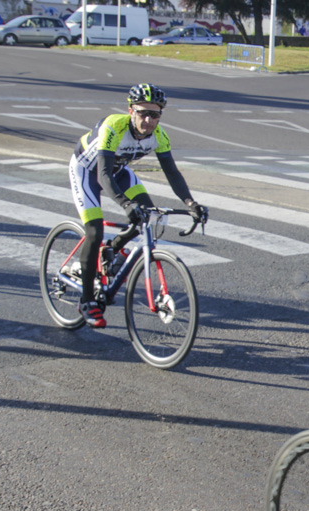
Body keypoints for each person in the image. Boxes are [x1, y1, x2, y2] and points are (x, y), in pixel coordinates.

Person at [68, 83, 207, 328]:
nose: (148, 120)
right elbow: (102, 175)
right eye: (142, 113)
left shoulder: (159, 136)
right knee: (94, 230)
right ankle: (87, 301)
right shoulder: (113, 126)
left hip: (119, 171)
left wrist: (191, 203)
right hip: (88, 171)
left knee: (147, 216)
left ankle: (111, 249)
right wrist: (125, 204)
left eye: (155, 114)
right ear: (131, 111)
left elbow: (172, 173)